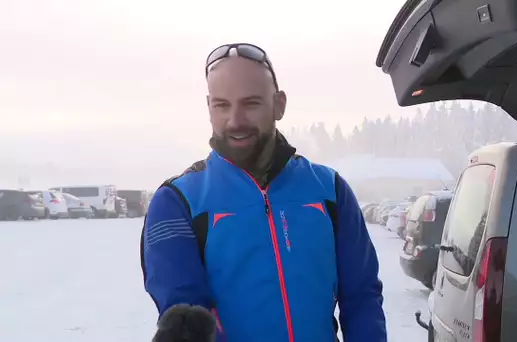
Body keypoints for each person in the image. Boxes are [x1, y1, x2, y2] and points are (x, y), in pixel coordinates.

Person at [141, 43, 387, 342]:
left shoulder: (329, 190)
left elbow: (361, 296)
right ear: (209, 108)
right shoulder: (178, 201)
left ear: (279, 104)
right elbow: (184, 314)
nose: (235, 121)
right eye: (222, 105)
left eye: (251, 103)